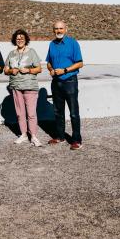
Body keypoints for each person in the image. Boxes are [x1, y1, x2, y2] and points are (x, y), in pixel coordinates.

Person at [46, 21, 84, 150]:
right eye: (56, 28)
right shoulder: (52, 44)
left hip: (69, 82)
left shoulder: (73, 43)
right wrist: (51, 69)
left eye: (61, 28)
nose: (59, 30)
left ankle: (77, 140)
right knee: (58, 112)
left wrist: (65, 70)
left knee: (73, 113)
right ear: (53, 30)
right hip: (56, 82)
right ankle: (60, 136)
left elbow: (80, 63)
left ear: (66, 29)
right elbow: (49, 62)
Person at [4, 29, 43, 147]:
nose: (19, 40)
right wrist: (11, 70)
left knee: (31, 113)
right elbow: (5, 70)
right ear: (14, 40)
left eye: (22, 38)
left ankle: (34, 136)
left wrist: (28, 70)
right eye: (17, 38)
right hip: (16, 86)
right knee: (20, 113)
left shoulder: (32, 52)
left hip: (30, 86)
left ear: (26, 40)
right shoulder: (11, 54)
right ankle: (24, 135)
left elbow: (39, 69)